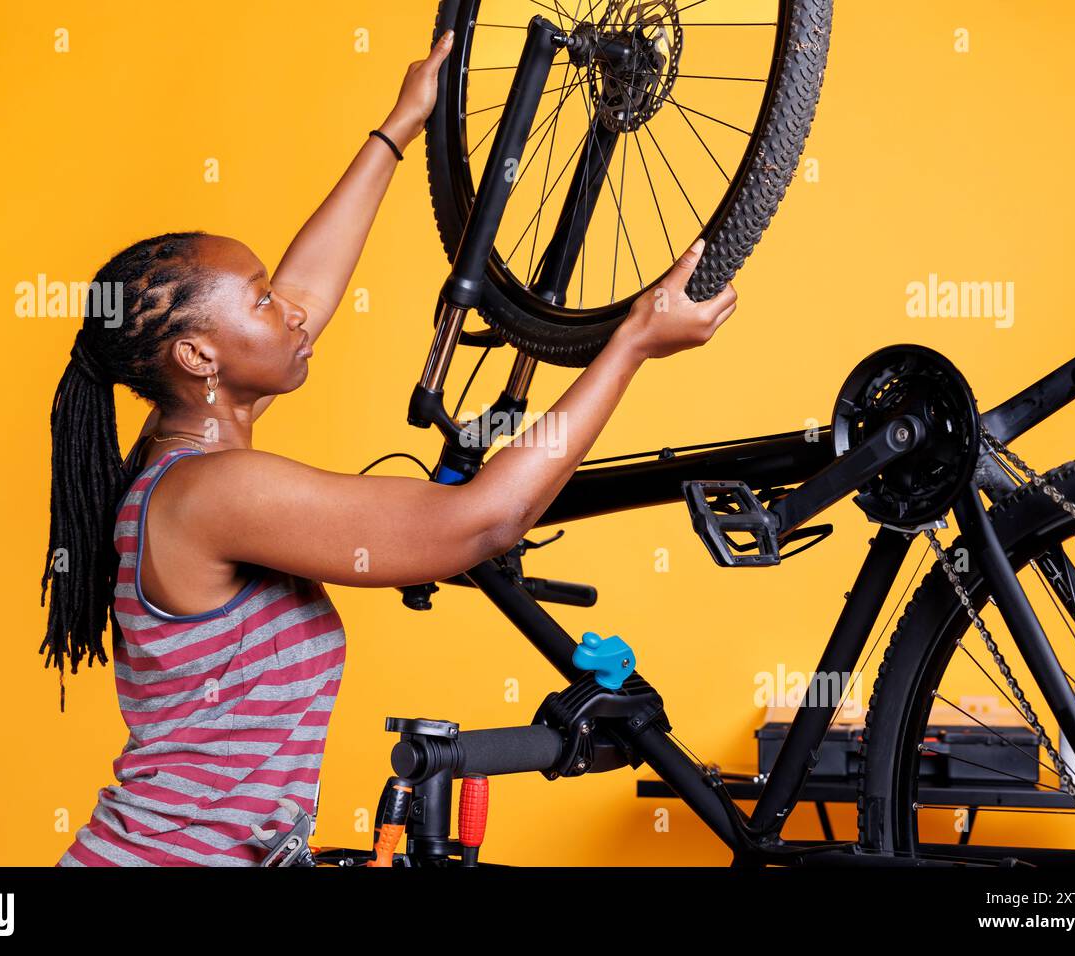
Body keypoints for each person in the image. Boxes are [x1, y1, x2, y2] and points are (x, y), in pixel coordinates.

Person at [43, 30, 738, 866]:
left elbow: (308, 290)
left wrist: (399, 126)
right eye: (262, 302)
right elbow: (479, 523)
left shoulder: (181, 448)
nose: (292, 310)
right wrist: (628, 347)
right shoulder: (212, 495)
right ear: (200, 358)